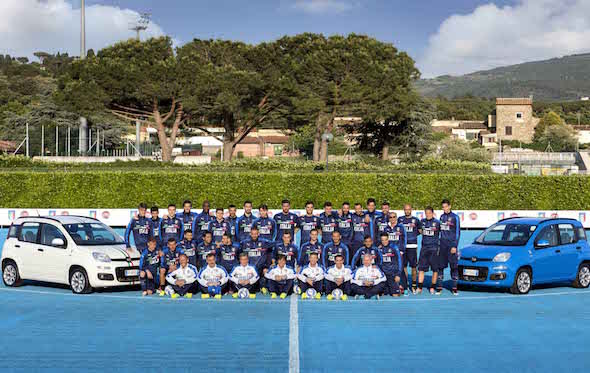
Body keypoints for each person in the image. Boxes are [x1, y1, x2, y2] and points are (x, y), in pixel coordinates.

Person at [239, 226, 274, 294]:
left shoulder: (265, 242)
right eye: (252, 233)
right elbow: (239, 253)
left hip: (261, 267)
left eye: (256, 233)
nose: (254, 235)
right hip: (249, 268)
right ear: (250, 234)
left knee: (266, 271)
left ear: (258, 234)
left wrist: (268, 264)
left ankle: (263, 286)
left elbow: (275, 245)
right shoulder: (244, 243)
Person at [438, 199, 461, 295]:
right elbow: (440, 231)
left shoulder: (455, 217)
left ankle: (454, 287)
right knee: (440, 266)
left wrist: (454, 245)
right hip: (442, 245)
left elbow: (457, 232)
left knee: (454, 266)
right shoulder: (441, 217)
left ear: (450, 206)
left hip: (451, 246)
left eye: (446, 206)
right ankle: (439, 286)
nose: (445, 208)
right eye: (443, 207)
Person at [398, 204, 421, 294]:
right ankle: (406, 283)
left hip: (412, 246)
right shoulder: (400, 219)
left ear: (411, 209)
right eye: (405, 210)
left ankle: (414, 285)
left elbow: (420, 231)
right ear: (404, 210)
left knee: (414, 266)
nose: (407, 211)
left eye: (408, 209)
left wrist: (413, 236)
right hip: (402, 246)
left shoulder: (416, 220)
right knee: (403, 266)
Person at [417, 207, 441, 295]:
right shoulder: (422, 222)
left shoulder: (437, 223)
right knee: (421, 269)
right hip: (424, 249)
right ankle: (419, 287)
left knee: (435, 269)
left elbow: (443, 233)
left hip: (434, 249)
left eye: (429, 213)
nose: (427, 214)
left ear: (432, 213)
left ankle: (432, 287)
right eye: (426, 213)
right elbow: (419, 230)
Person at [383, 212, 407, 294]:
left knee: (400, 268)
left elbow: (404, 238)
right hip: (389, 251)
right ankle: (392, 285)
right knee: (390, 268)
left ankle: (403, 286)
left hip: (398, 251)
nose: (392, 219)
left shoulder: (401, 227)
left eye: (394, 217)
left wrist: (402, 250)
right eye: (391, 217)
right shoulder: (386, 228)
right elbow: (383, 238)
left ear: (396, 217)